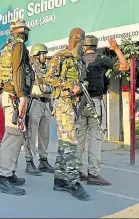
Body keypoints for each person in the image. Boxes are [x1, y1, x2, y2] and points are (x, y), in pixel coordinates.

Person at [76, 36, 128, 185]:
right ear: (95, 46)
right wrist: (116, 49)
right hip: (96, 103)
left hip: (79, 103)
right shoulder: (102, 59)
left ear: (84, 46)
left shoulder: (77, 59)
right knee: (96, 139)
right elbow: (124, 66)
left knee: (79, 139)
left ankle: (77, 171)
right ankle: (93, 174)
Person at [45, 28, 90, 201]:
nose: (83, 47)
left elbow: (81, 81)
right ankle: (73, 182)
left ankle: (60, 179)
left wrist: (80, 86)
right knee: (71, 142)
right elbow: (49, 78)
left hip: (73, 103)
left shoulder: (79, 60)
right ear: (76, 39)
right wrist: (70, 86)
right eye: (82, 42)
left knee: (65, 142)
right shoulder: (60, 56)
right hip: (63, 103)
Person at [0, 18, 34, 196]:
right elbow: (18, 71)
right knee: (12, 135)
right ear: (22, 31)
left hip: (9, 93)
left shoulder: (6, 46)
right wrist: (22, 96)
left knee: (16, 135)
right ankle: (3, 178)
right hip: (14, 95)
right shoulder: (18, 45)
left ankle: (9, 173)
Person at [24, 43, 54, 176]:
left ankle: (43, 160)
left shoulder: (47, 69)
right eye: (43, 54)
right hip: (35, 101)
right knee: (31, 132)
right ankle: (29, 161)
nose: (45, 56)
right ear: (36, 55)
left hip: (46, 102)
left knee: (45, 134)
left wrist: (52, 103)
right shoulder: (30, 68)